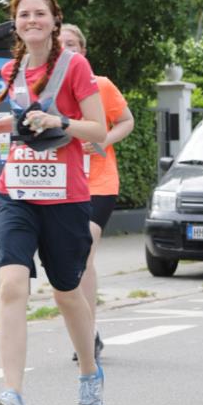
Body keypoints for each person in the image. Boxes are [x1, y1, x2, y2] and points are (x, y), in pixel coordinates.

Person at [0, 0, 107, 405]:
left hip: (65, 196)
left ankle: (89, 372)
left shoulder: (75, 66)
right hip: (17, 191)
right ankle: (13, 394)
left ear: (54, 20)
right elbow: (26, 119)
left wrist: (60, 121)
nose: (32, 20)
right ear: (16, 22)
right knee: (12, 284)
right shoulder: (12, 69)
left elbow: (98, 130)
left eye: (40, 14)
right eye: (24, 14)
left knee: (66, 292)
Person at [59, 24, 135, 360]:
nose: (66, 49)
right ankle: (86, 331)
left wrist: (102, 139)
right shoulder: (46, 91)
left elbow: (127, 121)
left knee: (84, 249)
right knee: (71, 261)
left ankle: (87, 335)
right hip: (62, 183)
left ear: (83, 51)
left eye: (72, 44)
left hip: (99, 182)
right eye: (60, 44)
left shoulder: (100, 85)